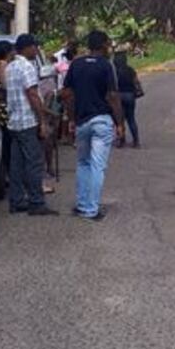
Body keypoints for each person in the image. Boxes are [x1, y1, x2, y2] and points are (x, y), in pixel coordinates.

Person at [62, 31, 125, 221]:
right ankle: (91, 209)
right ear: (103, 45)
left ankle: (82, 205)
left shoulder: (76, 64)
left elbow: (67, 94)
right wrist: (120, 123)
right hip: (102, 121)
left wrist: (71, 119)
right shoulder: (107, 66)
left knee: (83, 163)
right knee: (98, 165)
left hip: (82, 122)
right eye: (107, 44)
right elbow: (113, 96)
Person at [5, 34, 58, 216]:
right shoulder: (26, 67)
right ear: (26, 48)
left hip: (14, 122)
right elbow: (32, 94)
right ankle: (36, 202)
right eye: (34, 46)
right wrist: (42, 121)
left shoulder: (10, 67)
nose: (36, 50)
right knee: (34, 162)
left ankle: (17, 200)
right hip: (28, 121)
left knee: (16, 164)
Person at [0, 40, 14, 180]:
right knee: (7, 140)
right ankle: (8, 174)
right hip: (4, 107)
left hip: (1, 106)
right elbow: (6, 85)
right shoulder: (3, 64)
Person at [113, 50, 143, 148]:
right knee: (131, 118)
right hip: (130, 96)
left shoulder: (114, 71)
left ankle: (121, 140)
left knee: (119, 120)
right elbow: (136, 82)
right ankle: (136, 141)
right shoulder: (130, 70)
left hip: (118, 96)